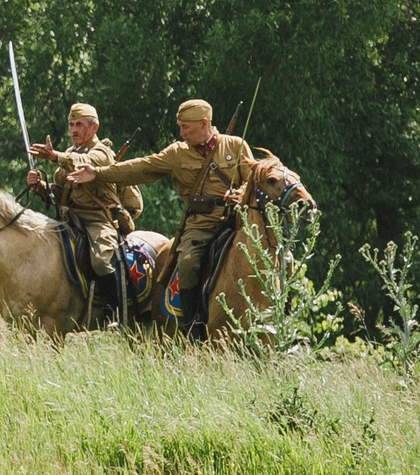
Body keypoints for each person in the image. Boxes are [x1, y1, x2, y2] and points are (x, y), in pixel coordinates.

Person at [69, 99, 253, 317]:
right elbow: (141, 167)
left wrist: (241, 193)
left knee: (279, 255)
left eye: (185, 127)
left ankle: (283, 316)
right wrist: (98, 174)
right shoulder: (177, 153)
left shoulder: (235, 145)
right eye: (180, 126)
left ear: (204, 124)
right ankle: (192, 323)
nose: (181, 132)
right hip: (202, 224)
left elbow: (254, 182)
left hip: (237, 220)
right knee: (187, 263)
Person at [27, 102, 125, 288]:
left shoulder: (102, 152)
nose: (73, 130)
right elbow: (60, 192)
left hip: (98, 218)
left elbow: (83, 163)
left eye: (79, 125)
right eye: (71, 125)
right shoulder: (70, 153)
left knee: (101, 262)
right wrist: (39, 185)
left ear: (94, 127)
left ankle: (115, 309)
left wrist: (55, 156)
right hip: (69, 218)